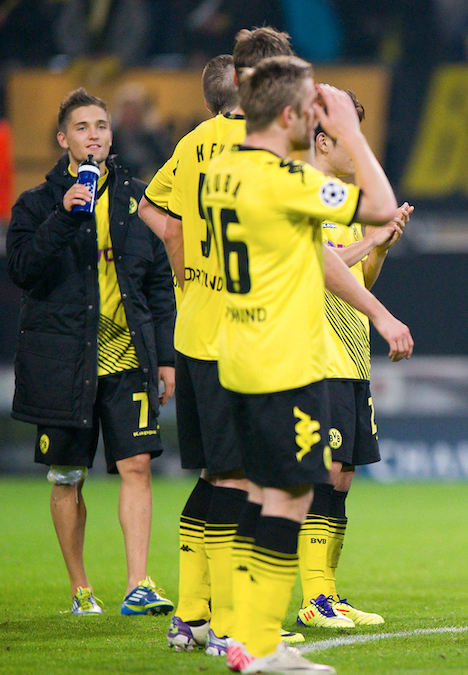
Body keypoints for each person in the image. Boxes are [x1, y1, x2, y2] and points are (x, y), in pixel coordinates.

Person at [203, 55, 410, 674]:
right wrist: (347, 129)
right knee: (291, 496)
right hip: (285, 358)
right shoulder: (284, 181)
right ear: (292, 114)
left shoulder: (224, 172)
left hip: (235, 353)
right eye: (314, 109)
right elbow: (378, 204)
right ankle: (261, 646)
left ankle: (245, 634)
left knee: (262, 494)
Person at [138, 27, 301, 656]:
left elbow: (155, 212)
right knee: (245, 480)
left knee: (214, 475)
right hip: (244, 338)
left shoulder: (195, 141)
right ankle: (231, 626)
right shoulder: (264, 146)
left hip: (195, 329)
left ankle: (191, 614)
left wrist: (187, 275)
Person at [6, 87, 176, 617]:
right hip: (63, 363)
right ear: (63, 139)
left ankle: (138, 582)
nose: (94, 135)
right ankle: (81, 589)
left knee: (138, 466)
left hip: (127, 357)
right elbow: (23, 271)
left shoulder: (138, 200)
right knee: (67, 477)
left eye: (101, 126)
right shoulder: (35, 203)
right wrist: (63, 216)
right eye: (82, 127)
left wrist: (167, 357)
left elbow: (158, 285)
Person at [297, 92, 410, 629]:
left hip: (351, 356)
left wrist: (379, 248)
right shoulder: (304, 193)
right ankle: (312, 598)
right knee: (322, 474)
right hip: (314, 357)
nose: (357, 148)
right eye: (349, 137)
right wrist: (370, 241)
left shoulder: (342, 200)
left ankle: (329, 593)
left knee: (342, 477)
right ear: (322, 140)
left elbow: (357, 282)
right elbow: (318, 265)